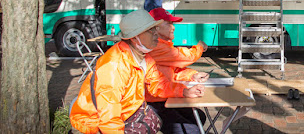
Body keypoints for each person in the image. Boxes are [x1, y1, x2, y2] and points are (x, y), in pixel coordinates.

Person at [69, 9, 205, 133]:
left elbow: (158, 85)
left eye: (154, 29)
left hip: (129, 114)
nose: (155, 34)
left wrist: (184, 91)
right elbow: (109, 119)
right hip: (95, 125)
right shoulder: (114, 66)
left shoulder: (145, 57)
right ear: (134, 38)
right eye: (150, 30)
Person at [146, 7, 209, 134]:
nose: (173, 27)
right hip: (152, 103)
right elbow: (183, 57)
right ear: (156, 28)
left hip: (164, 98)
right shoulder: (156, 46)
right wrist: (200, 48)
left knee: (199, 117)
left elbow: (173, 71)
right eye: (169, 23)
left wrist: (193, 75)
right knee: (192, 130)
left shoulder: (161, 45)